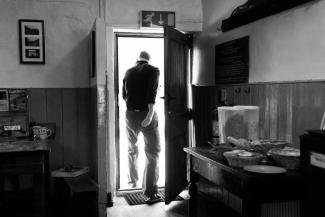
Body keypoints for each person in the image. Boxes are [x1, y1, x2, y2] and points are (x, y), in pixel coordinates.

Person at [122, 51, 161, 204]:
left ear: (137, 60)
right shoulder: (153, 70)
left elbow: (124, 95)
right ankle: (150, 192)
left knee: (132, 149)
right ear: (148, 60)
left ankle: (133, 182)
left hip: (130, 114)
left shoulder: (128, 71)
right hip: (147, 114)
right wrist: (150, 114)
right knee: (153, 152)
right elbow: (151, 92)